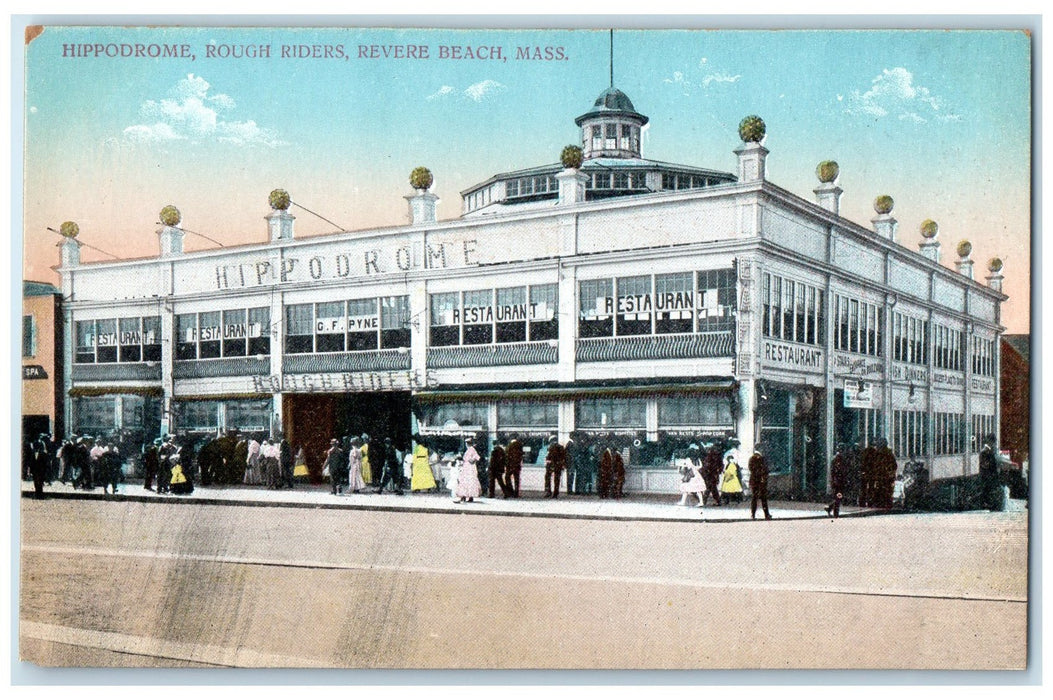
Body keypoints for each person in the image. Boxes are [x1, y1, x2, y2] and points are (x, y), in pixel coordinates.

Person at [748, 443, 772, 520]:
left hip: (754, 481)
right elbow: (764, 470)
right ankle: (766, 514)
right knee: (763, 498)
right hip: (761, 481)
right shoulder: (761, 459)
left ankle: (753, 514)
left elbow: (751, 469)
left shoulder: (752, 458)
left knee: (754, 498)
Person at [457, 436, 483, 503]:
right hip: (467, 468)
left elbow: (477, 458)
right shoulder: (470, 450)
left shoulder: (471, 449)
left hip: (469, 468)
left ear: (467, 444)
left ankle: (465, 496)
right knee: (468, 481)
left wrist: (471, 460)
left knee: (467, 481)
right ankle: (467, 496)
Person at [826, 443, 849, 518]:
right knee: (838, 497)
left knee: (838, 497)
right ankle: (835, 512)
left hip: (838, 481)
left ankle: (830, 508)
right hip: (838, 482)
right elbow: (836, 471)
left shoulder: (839, 459)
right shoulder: (838, 459)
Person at [978, 434, 1001, 511]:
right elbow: (985, 464)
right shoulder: (986, 451)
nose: (994, 443)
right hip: (988, 475)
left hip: (991, 474)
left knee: (989, 490)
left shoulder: (991, 450)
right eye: (993, 442)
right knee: (988, 490)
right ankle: (988, 504)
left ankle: (990, 504)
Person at [702, 442, 724, 506]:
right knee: (712, 488)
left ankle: (704, 501)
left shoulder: (709, 456)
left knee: (710, 488)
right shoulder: (718, 456)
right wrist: (719, 471)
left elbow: (707, 465)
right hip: (714, 474)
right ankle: (717, 501)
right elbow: (721, 465)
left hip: (710, 474)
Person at [29, 433, 50, 498]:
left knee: (40, 482)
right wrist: (30, 471)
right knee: (36, 482)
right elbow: (31, 463)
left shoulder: (42, 455)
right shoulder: (32, 455)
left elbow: (45, 463)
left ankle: (40, 494)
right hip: (35, 470)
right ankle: (37, 493)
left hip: (41, 470)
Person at [504, 434, 523, 498]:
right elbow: (521, 455)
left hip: (510, 465)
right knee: (516, 479)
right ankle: (516, 493)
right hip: (517, 465)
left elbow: (506, 456)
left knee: (507, 477)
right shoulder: (520, 445)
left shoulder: (509, 446)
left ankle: (510, 491)